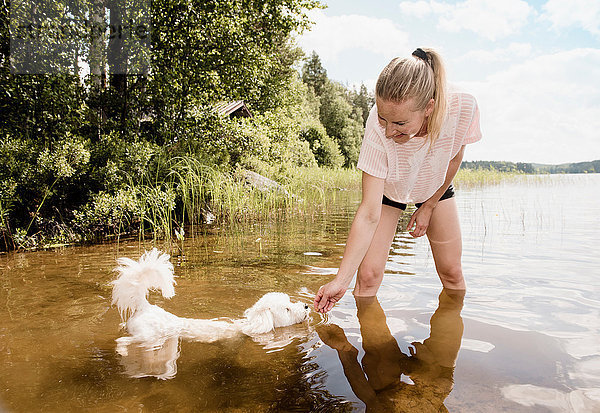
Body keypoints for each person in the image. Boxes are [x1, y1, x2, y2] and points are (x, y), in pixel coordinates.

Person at [314, 47, 482, 313]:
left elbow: (455, 154)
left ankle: (447, 347)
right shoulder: (375, 127)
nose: (390, 131)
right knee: (368, 276)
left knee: (451, 271)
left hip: (434, 187)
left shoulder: (462, 105)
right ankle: (373, 348)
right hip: (390, 190)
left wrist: (428, 205)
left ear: (429, 107)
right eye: (384, 118)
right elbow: (369, 213)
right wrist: (340, 280)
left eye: (401, 123)